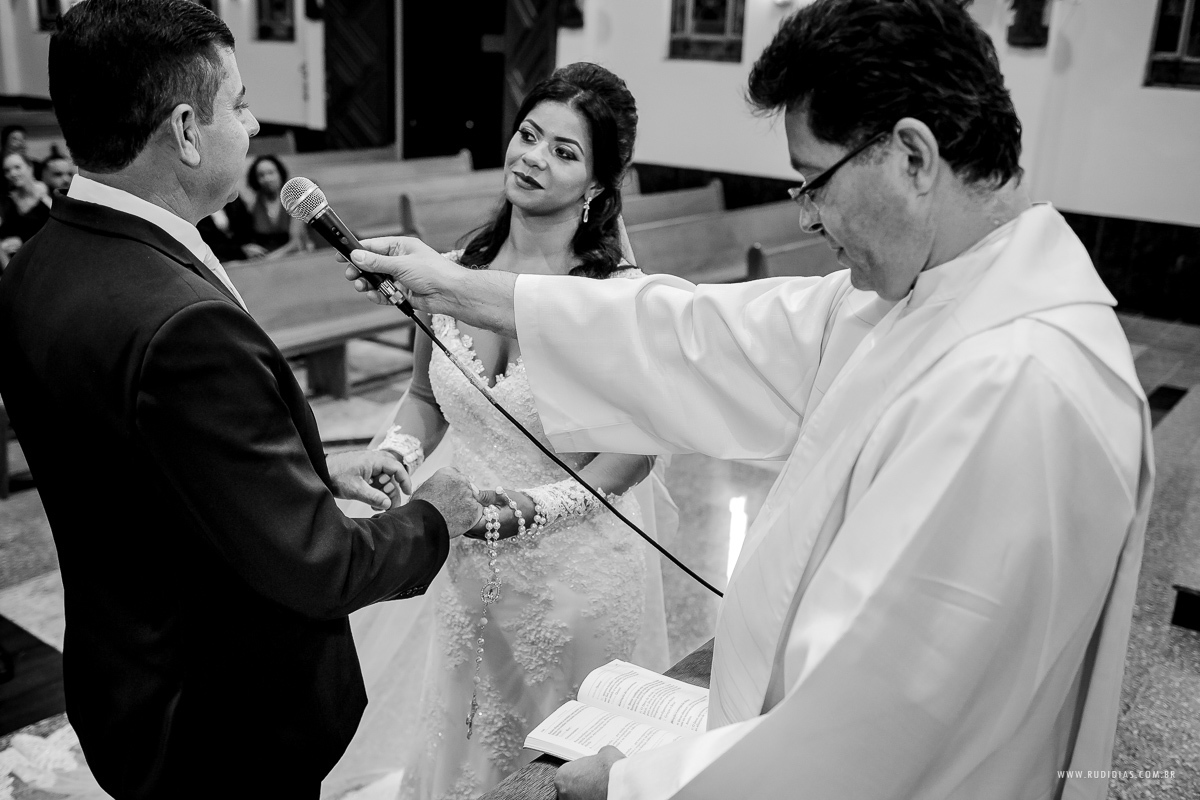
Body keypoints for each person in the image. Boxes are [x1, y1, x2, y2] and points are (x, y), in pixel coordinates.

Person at [344, 1, 1153, 799]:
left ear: (913, 156)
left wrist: (641, 784)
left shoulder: (1013, 385)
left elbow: (877, 720)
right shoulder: (919, 298)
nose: (809, 217)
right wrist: (451, 286)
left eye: (815, 181)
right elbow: (692, 336)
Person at [0, 1, 485, 797]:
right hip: (221, 723)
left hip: (126, 677)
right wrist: (434, 517)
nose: (254, 126)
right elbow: (318, 567)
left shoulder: (38, 264)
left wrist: (300, 475)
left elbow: (140, 465)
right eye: (241, 103)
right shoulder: (184, 325)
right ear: (187, 130)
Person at [324, 62, 672, 800]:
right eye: (528, 134)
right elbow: (426, 393)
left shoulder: (614, 300)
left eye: (564, 152)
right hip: (465, 555)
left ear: (598, 186)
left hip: (575, 569)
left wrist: (528, 511)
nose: (533, 157)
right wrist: (397, 451)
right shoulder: (449, 274)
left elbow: (633, 455)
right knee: (462, 737)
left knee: (548, 762)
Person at [239, 152, 311, 258]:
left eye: (271, 173)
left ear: (280, 174)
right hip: (261, 259)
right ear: (256, 180)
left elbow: (295, 243)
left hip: (290, 257)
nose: (267, 179)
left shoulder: (294, 201)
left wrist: (270, 259)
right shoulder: (251, 204)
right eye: (261, 175)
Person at [0, 151, 52, 268]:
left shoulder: (48, 194)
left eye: (17, 167)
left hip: (47, 260)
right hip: (20, 265)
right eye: (7, 171)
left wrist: (22, 240)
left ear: (29, 167)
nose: (12, 173)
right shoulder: (6, 202)